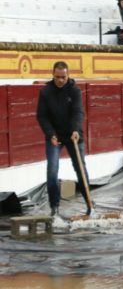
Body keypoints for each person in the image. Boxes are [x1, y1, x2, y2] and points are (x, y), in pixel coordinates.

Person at [36, 62, 92, 217]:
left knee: (81, 169)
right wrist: (50, 134)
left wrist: (75, 130)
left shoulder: (74, 90)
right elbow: (42, 116)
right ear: (53, 75)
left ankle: (89, 204)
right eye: (58, 77)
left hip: (74, 135)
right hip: (54, 136)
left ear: (68, 75)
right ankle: (54, 207)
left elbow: (78, 112)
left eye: (64, 77)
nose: (61, 80)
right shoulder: (45, 92)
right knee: (52, 170)